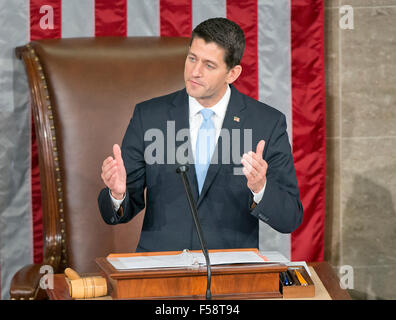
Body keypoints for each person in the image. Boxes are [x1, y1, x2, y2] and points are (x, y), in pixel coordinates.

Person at [98, 18, 303, 252]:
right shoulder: (149, 116)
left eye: (209, 65)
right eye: (192, 58)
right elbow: (117, 213)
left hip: (232, 277)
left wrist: (260, 187)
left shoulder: (266, 123)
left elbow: (290, 218)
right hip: (159, 274)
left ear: (232, 74)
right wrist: (118, 193)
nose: (195, 72)